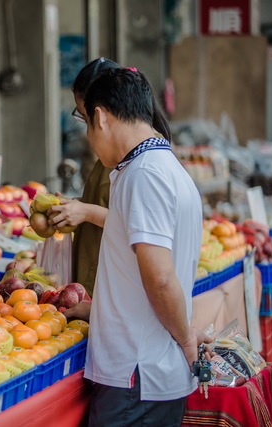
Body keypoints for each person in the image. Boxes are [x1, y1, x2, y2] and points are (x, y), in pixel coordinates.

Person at [78, 68, 208, 426]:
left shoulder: (144, 174)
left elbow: (161, 279)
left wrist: (185, 340)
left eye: (87, 124)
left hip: (138, 376)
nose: (90, 138)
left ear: (101, 117)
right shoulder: (164, 168)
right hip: (146, 374)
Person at [48, 57, 173, 304]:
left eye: (85, 118)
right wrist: (76, 206)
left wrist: (86, 211)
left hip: (112, 283)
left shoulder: (140, 165)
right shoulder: (115, 155)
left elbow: (137, 225)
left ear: (101, 113)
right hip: (98, 278)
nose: (87, 132)